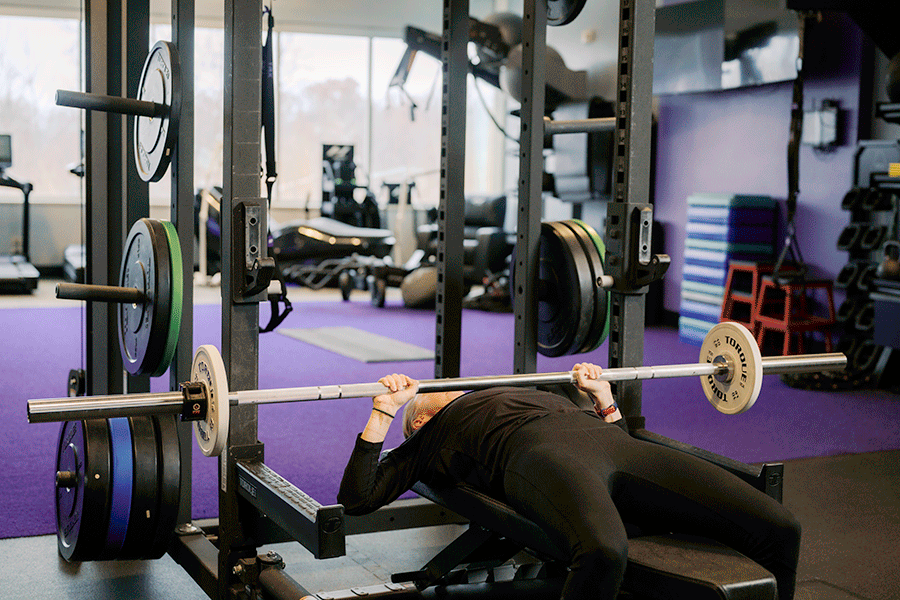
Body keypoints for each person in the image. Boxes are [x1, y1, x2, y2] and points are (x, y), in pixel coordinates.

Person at [338, 364, 801, 600]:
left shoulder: (525, 390)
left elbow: (619, 462)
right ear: (419, 424)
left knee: (780, 526)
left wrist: (603, 399)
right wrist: (385, 412)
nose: (449, 392)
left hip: (608, 441)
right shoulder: (430, 437)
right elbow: (357, 498)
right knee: (602, 551)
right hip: (537, 453)